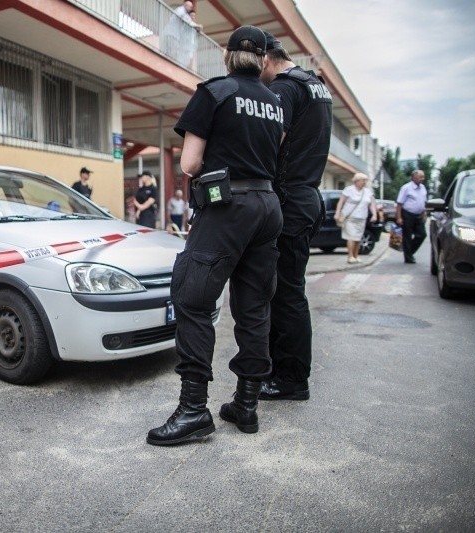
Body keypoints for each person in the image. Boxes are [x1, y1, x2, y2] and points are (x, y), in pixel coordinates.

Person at [147, 26, 283, 446]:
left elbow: (189, 163)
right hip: (267, 205)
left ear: (226, 56)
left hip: (227, 208)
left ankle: (192, 410)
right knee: (254, 306)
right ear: (263, 59)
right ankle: (246, 403)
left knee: (192, 299)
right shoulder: (275, 102)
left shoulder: (215, 92)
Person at [258, 31, 333, 402]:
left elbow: (272, 140)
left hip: (290, 200)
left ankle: (290, 379)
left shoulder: (285, 89)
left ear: (265, 59)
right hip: (308, 196)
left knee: (285, 294)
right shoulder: (314, 83)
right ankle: (283, 371)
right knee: (288, 291)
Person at [335, 173, 377, 264]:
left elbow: (372, 204)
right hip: (350, 218)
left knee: (358, 238)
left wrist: (374, 215)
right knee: (351, 237)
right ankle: (350, 257)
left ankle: (356, 256)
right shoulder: (349, 190)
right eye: (363, 180)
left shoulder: (367, 192)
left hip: (362, 219)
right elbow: (341, 202)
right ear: (357, 181)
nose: (365, 182)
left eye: (365, 181)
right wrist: (337, 213)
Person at [395, 169, 428, 264]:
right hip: (407, 214)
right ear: (414, 177)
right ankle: (408, 257)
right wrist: (399, 217)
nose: (423, 179)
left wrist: (424, 213)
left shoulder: (423, 188)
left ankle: (408, 252)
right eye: (421, 177)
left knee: (422, 235)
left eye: (423, 177)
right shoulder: (406, 188)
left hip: (418, 215)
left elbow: (423, 202)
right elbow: (399, 203)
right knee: (407, 237)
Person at [162, 1, 201, 68]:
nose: (190, 8)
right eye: (190, 7)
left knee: (172, 50)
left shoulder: (185, 14)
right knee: (173, 50)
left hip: (174, 35)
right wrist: (197, 26)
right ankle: (170, 65)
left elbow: (189, 22)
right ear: (185, 5)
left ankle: (169, 63)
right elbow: (187, 21)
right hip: (172, 34)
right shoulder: (180, 10)